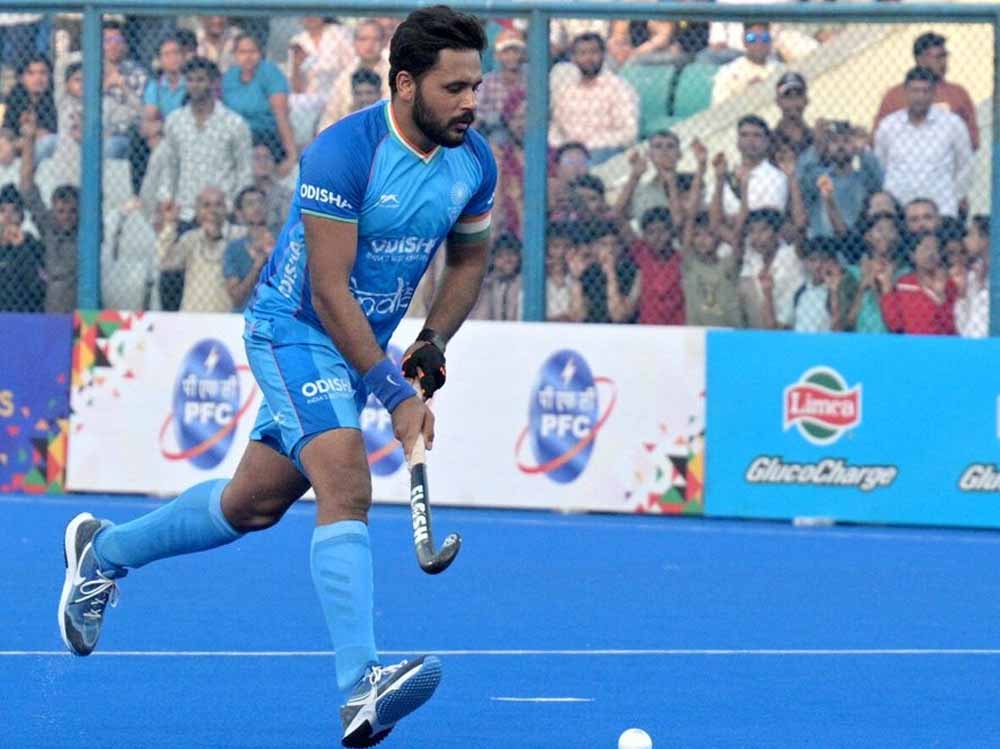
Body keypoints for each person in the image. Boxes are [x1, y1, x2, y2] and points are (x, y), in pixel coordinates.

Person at [58, 7, 496, 748]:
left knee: (251, 504)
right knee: (346, 480)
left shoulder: (473, 161)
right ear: (404, 83)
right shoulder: (344, 153)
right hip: (294, 326)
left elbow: (470, 257)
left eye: (475, 87)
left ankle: (102, 552)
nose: (469, 103)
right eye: (453, 88)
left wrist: (432, 341)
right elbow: (326, 288)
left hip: (358, 343)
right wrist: (393, 393)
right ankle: (361, 684)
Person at [153, 57, 253, 225]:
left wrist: (237, 207)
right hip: (185, 212)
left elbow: (244, 171)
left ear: (214, 83)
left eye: (200, 80)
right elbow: (170, 167)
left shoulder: (235, 123)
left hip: (223, 213)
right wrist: (166, 199)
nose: (194, 85)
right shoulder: (174, 121)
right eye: (190, 80)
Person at [874, 66, 972, 219]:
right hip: (899, 210)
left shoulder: (952, 124)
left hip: (941, 209)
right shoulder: (888, 126)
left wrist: (954, 197)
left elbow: (965, 165)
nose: (920, 96)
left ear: (934, 93)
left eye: (926, 91)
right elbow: (880, 164)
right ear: (905, 92)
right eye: (915, 91)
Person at [873, 32, 979, 151]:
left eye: (945, 56)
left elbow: (973, 140)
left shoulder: (958, 93)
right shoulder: (895, 95)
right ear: (920, 59)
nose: (943, 62)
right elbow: (877, 138)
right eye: (938, 57)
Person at [19, 111, 78, 313]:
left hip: (81, 302)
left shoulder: (87, 232)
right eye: (61, 211)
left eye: (72, 211)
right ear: (53, 210)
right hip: (54, 303)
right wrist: (29, 139)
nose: (66, 217)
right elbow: (27, 188)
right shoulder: (49, 226)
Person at [549, 32, 639, 165]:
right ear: (573, 58)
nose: (588, 58)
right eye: (582, 53)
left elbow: (629, 132)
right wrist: (562, 145)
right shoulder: (566, 89)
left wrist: (586, 145)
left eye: (594, 52)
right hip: (567, 150)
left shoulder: (619, 88)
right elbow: (556, 127)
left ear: (603, 55)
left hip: (602, 151)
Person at [222, 33, 297, 175]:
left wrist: (292, 156)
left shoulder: (270, 73)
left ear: (261, 53)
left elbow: (281, 115)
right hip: (236, 134)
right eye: (242, 52)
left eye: (253, 51)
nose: (248, 57)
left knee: (259, 156)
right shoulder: (229, 77)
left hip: (265, 134)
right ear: (235, 55)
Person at [317, 20, 390, 132]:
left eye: (375, 39)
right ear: (354, 43)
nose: (369, 45)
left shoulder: (394, 74)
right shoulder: (344, 77)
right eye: (363, 39)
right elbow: (330, 117)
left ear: (384, 42)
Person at [880, 230, 956, 335]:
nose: (931, 254)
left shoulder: (949, 284)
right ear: (912, 255)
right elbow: (895, 324)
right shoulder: (903, 284)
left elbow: (951, 327)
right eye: (925, 248)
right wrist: (887, 287)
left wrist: (940, 298)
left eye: (935, 249)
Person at [223, 185, 275, 311]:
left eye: (261, 202)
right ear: (240, 213)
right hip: (242, 316)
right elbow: (236, 297)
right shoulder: (233, 249)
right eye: (250, 204)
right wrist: (257, 266)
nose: (257, 207)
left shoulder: (283, 243)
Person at [711, 21, 782, 106]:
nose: (759, 43)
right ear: (744, 40)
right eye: (752, 38)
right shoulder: (729, 73)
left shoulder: (779, 70)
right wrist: (746, 94)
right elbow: (719, 107)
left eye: (764, 38)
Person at [0, 183, 45, 312]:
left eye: (14, 210)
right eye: (2, 210)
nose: (7, 216)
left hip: (25, 312)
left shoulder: (31, 243)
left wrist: (21, 248)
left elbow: (38, 286)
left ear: (22, 216)